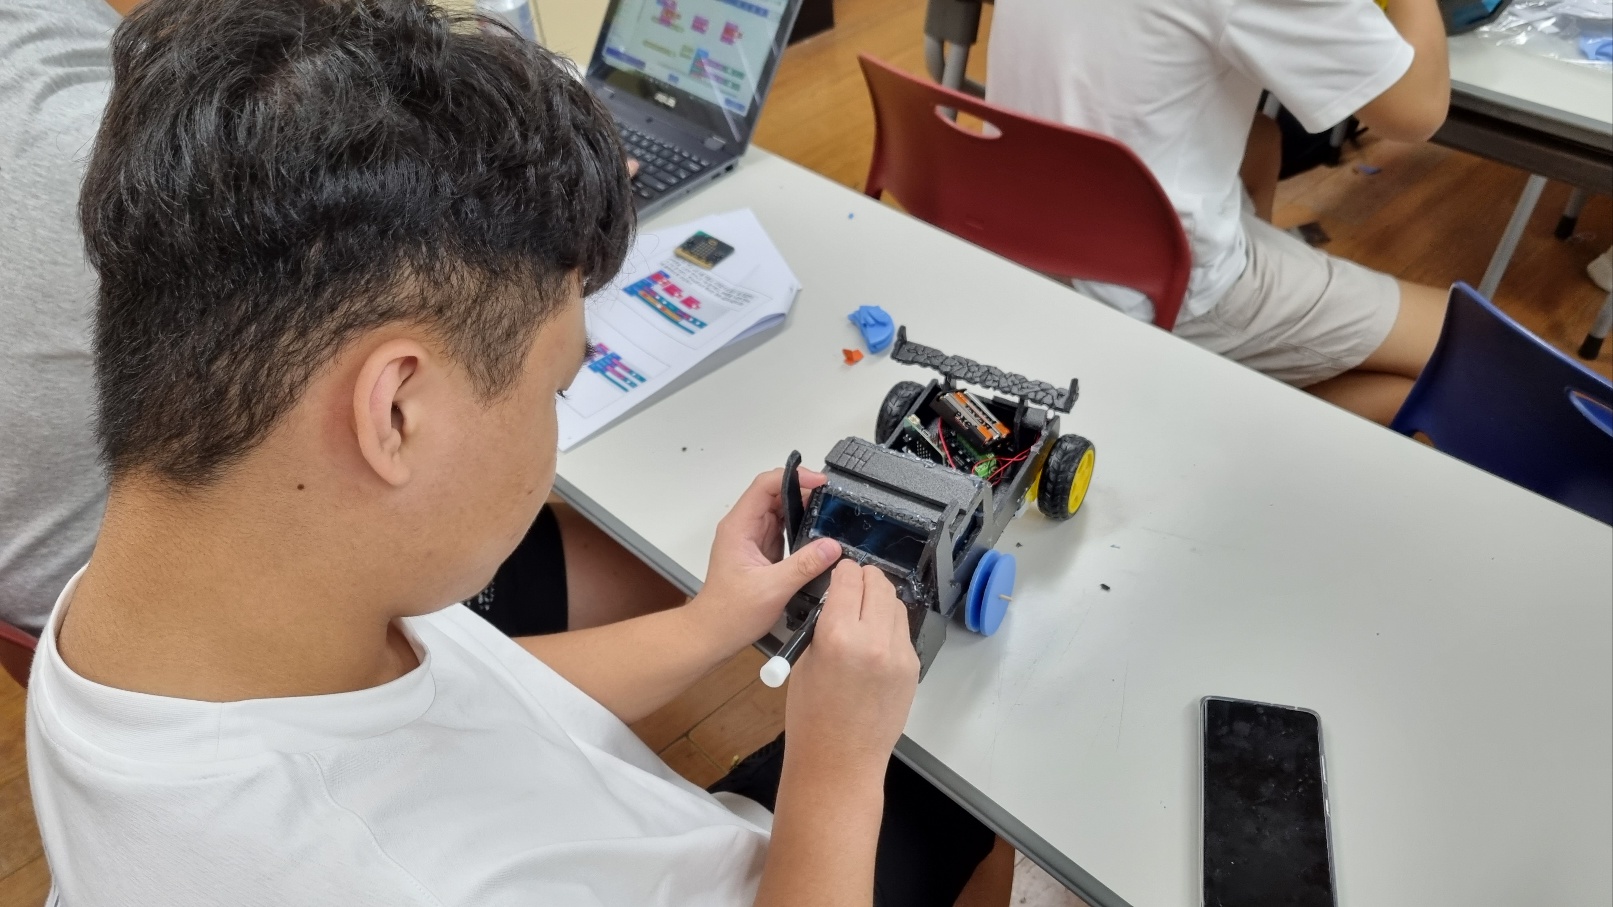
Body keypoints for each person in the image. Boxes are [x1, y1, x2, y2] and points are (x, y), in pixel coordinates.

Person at [24, 1, 1004, 905]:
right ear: (395, 410)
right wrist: (836, 767)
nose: (551, 432)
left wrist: (711, 623)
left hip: (644, 832)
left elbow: (460, 719)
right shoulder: (371, 874)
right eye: (555, 388)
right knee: (973, 776)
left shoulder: (179, 588)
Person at [0, 0, 682, 641]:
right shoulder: (176, 172)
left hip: (121, 574)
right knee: (654, 570)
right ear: (395, 411)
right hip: (191, 585)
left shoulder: (132, 136)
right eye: (555, 392)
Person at [988, 0, 1454, 425]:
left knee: (1262, 140)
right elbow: (1417, 109)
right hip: (1147, 273)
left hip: (1018, 225)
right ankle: (1217, 423)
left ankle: (1237, 359)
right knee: (1463, 348)